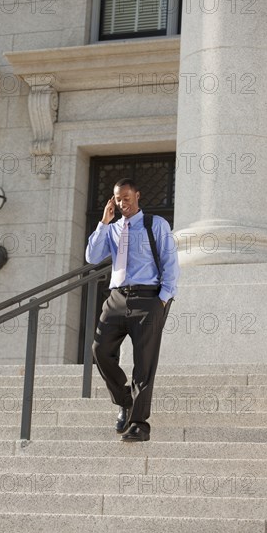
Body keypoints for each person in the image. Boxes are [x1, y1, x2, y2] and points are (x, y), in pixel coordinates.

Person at [85, 178, 180, 442]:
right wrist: (103, 223)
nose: (122, 203)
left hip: (148, 299)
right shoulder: (113, 229)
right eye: (117, 198)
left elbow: (171, 262)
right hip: (116, 298)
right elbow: (92, 258)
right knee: (99, 350)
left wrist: (162, 299)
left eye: (126, 197)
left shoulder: (156, 225)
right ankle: (125, 401)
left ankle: (139, 423)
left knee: (144, 363)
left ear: (137, 196)